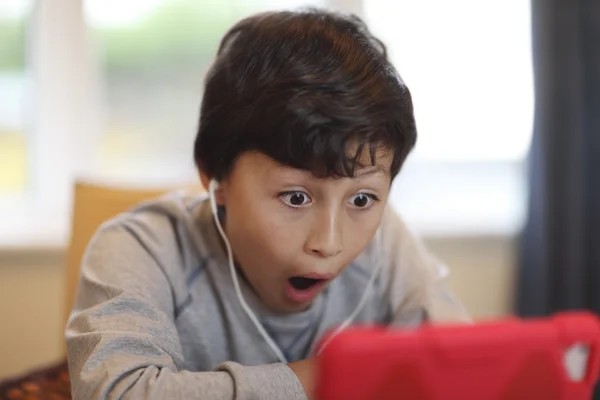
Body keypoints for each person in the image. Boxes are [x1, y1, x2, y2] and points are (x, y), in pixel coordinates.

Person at [66, 8, 470, 400]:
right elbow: (116, 392)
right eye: (296, 197)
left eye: (362, 199)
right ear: (215, 177)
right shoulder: (140, 248)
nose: (328, 243)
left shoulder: (387, 243)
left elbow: (461, 366)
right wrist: (328, 377)